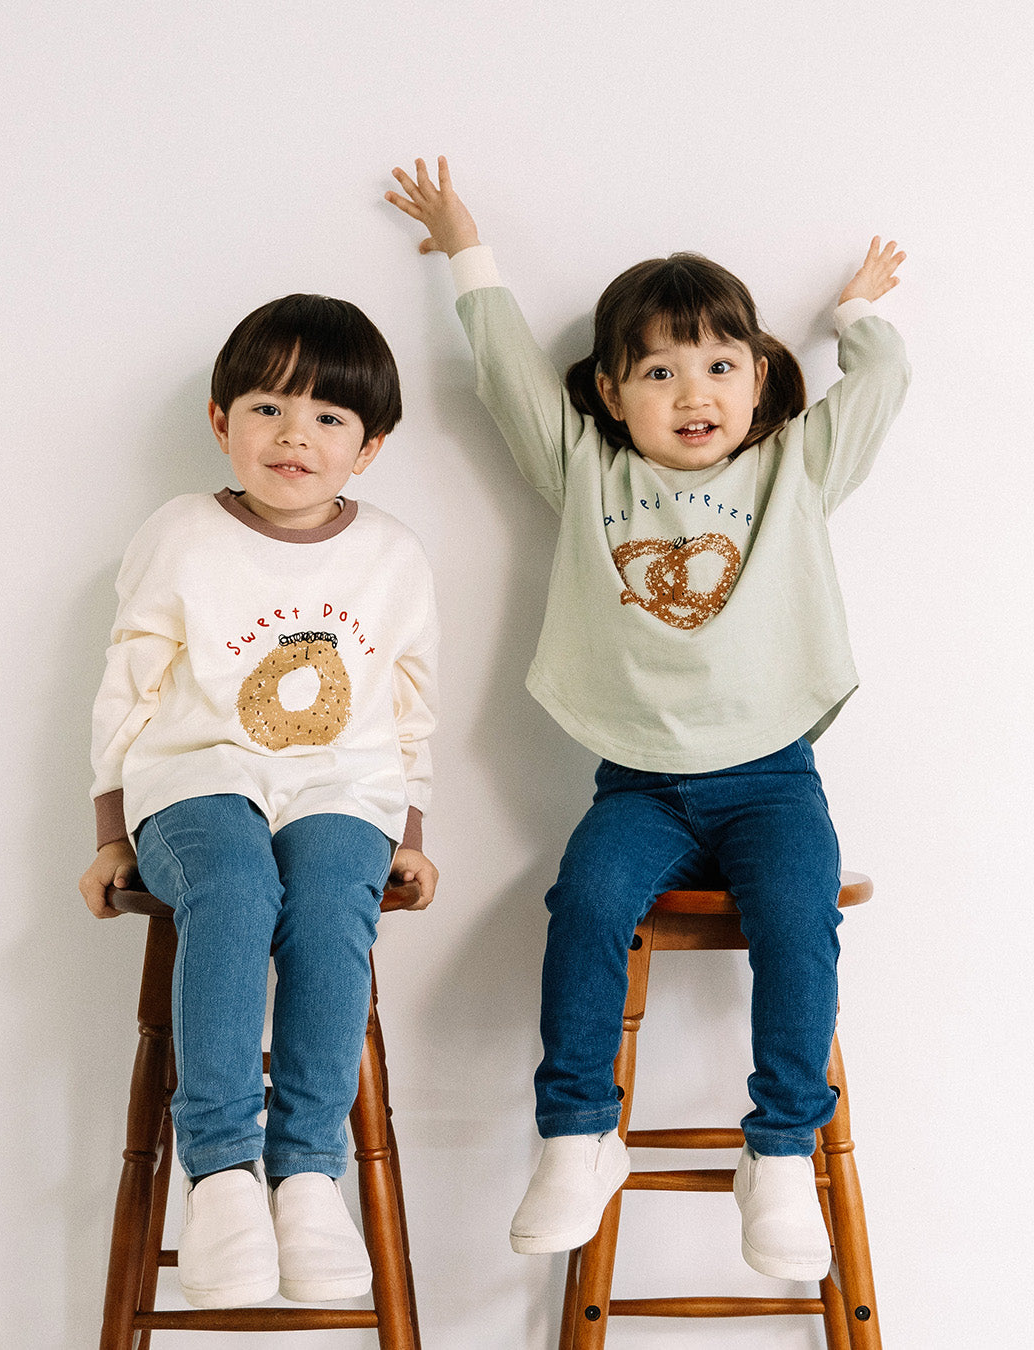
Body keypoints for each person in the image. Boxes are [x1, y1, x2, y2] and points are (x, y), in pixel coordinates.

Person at [386, 157, 907, 1282]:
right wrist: (466, 248)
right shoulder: (586, 471)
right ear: (612, 394)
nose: (692, 392)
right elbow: (505, 373)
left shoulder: (795, 469)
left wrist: (858, 317)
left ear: (761, 378)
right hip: (639, 785)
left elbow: (885, 383)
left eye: (719, 365)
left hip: (773, 779)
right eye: (658, 372)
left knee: (798, 920)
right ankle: (577, 1137)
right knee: (584, 904)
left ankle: (781, 1153)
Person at [79, 292, 438, 1310]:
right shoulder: (181, 534)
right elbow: (130, 682)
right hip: (196, 778)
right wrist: (110, 829)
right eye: (269, 408)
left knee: (328, 908)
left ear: (369, 447)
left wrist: (409, 827)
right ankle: (224, 1173)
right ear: (220, 420)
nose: (295, 436)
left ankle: (309, 1173)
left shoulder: (394, 555)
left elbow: (410, 699)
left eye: (329, 416)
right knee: (235, 892)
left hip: (343, 784)